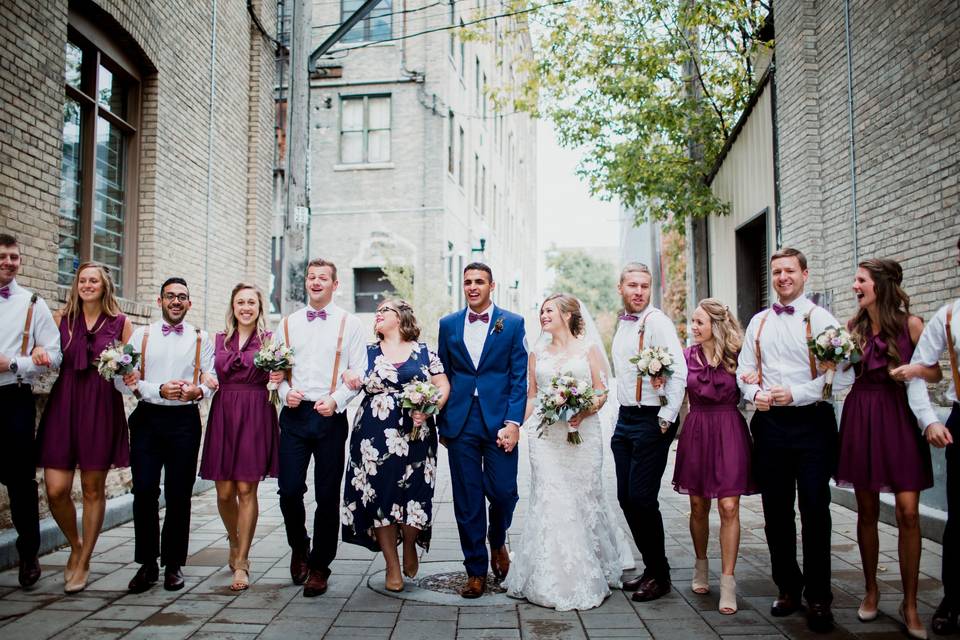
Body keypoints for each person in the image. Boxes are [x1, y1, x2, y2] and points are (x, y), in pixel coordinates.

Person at [737, 247, 854, 632]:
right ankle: (788, 586)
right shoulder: (758, 323)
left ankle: (819, 596)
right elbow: (745, 371)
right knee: (775, 511)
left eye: (789, 271)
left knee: (816, 509)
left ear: (805, 274)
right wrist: (755, 396)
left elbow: (838, 374)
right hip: (770, 426)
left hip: (812, 423)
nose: (782, 277)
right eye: (776, 272)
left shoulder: (820, 318)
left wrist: (798, 393)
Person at [503, 294, 633, 611]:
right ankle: (553, 577)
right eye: (541, 310)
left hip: (582, 434)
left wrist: (584, 410)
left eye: (549, 310)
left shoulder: (587, 348)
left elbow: (602, 391)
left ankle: (594, 566)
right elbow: (533, 397)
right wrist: (516, 425)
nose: (543, 315)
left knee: (584, 496)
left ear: (566, 314)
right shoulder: (536, 353)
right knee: (551, 496)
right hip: (545, 437)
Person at [835, 259, 932, 639]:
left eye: (860, 280)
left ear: (880, 285)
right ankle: (871, 589)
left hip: (899, 418)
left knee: (909, 512)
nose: (854, 286)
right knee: (867, 511)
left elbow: (929, 375)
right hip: (861, 415)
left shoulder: (912, 325)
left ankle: (910, 604)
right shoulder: (851, 328)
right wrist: (832, 360)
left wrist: (928, 418)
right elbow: (840, 375)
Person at [339, 299, 449, 592]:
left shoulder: (425, 352)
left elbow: (442, 385)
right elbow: (349, 376)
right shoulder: (366, 352)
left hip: (418, 433)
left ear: (401, 318)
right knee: (380, 498)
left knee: (416, 494)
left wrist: (429, 407)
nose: (377, 314)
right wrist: (348, 375)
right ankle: (391, 564)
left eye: (384, 311)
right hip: (373, 435)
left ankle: (410, 543)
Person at [271, 258, 366, 597]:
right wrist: (284, 392)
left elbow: (359, 372)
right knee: (289, 490)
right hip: (295, 416)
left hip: (329, 416)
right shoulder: (287, 324)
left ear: (334, 284)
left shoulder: (350, 324)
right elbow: (276, 371)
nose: (315, 282)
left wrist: (337, 400)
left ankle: (320, 566)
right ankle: (299, 546)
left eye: (322, 278)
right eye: (311, 277)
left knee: (327, 495)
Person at [36, 262, 132, 593]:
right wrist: (37, 352)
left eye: (94, 281)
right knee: (56, 489)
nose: (88, 285)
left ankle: (85, 558)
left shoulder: (121, 322)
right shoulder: (62, 319)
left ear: (105, 287)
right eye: (83, 280)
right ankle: (74, 544)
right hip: (65, 402)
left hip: (101, 405)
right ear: (76, 285)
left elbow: (131, 369)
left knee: (93, 488)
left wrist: (127, 372)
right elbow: (46, 351)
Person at [436, 262, 527, 598]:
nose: (473, 287)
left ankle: (498, 539)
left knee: (504, 491)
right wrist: (440, 421)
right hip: (460, 421)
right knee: (467, 498)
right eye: (467, 282)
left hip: (500, 419)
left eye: (479, 282)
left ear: (492, 286)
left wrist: (513, 422)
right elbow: (441, 373)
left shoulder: (513, 323)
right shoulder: (448, 324)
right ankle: (475, 570)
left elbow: (519, 377)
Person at [122, 277, 217, 594]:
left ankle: (173, 564)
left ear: (189, 303)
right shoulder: (141, 335)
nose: (176, 301)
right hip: (148, 418)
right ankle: (147, 563)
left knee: (179, 494)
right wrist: (156, 389)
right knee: (145, 490)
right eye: (170, 296)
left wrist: (196, 391)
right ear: (160, 301)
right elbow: (126, 381)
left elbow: (209, 380)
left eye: (182, 297)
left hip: (184, 422)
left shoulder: (201, 338)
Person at [672, 298, 757, 615]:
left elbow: (754, 383)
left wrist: (754, 382)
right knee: (698, 505)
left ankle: (728, 580)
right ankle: (700, 563)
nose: (693, 328)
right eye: (692, 322)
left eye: (698, 322)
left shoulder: (738, 356)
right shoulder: (685, 357)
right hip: (697, 430)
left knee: (729, 505)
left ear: (715, 325)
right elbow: (672, 392)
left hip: (729, 429)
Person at [610, 262, 687, 603]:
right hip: (625, 419)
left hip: (652, 419)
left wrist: (666, 417)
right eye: (632, 285)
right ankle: (652, 567)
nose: (639, 291)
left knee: (642, 498)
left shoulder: (657, 322)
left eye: (644, 286)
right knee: (626, 498)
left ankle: (661, 574)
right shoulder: (624, 325)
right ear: (621, 288)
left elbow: (679, 370)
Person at [199, 283, 280, 592]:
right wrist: (204, 378)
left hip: (256, 411)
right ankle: (233, 539)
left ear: (259, 308)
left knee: (246, 488)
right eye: (240, 302)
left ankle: (242, 560)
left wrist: (280, 375)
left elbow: (283, 372)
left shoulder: (270, 341)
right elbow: (206, 372)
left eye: (251, 302)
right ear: (232, 307)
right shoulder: (216, 339)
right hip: (224, 413)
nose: (246, 307)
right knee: (223, 492)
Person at [906, 236, 960, 636]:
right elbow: (917, 371)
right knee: (959, 520)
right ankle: (954, 597)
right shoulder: (948, 316)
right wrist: (929, 420)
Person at [0, 234, 60, 588]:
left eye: (14, 257)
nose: (8, 262)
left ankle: (28, 554)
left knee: (21, 481)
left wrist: (14, 364)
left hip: (14, 397)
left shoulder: (32, 303)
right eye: (3, 256)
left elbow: (53, 354)